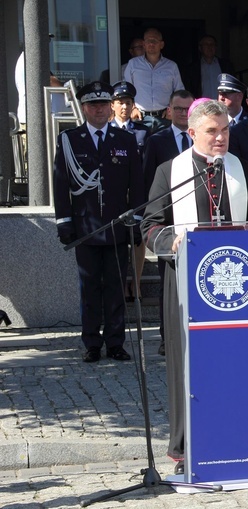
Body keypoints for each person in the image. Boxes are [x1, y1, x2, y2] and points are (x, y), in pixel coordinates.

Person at [141, 99, 248, 473]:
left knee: (245, 364)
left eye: (225, 130)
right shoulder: (168, 172)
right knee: (190, 367)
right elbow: (150, 226)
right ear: (191, 133)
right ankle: (189, 449)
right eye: (212, 131)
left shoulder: (242, 168)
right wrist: (169, 240)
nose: (221, 138)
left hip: (239, 287)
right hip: (186, 284)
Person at [52, 81, 144, 363]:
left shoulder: (125, 139)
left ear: (111, 107)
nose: (100, 109)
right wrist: (64, 222)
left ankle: (115, 342)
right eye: (93, 105)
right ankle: (92, 343)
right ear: (84, 108)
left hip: (117, 227)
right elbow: (61, 184)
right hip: (85, 228)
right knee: (89, 288)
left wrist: (137, 220)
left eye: (104, 104)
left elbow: (136, 184)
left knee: (116, 287)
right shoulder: (69, 139)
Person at [142, 89, 195, 355]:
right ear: (168, 111)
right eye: (178, 109)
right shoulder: (157, 140)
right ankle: (168, 337)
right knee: (169, 286)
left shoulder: (202, 141)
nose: (183, 114)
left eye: (187, 109)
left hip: (198, 221)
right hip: (169, 223)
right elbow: (148, 180)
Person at [109, 80, 151, 302]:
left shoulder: (143, 132)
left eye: (127, 102)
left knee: (138, 240)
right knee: (117, 239)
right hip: (115, 193)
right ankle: (120, 283)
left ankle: (136, 283)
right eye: (119, 102)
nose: (124, 107)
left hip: (137, 191)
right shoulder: (106, 131)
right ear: (112, 105)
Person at [123, 27, 184, 128]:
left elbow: (179, 91)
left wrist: (172, 109)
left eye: (154, 41)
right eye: (148, 41)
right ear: (144, 44)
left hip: (165, 119)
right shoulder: (133, 64)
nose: (151, 44)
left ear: (162, 44)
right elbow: (126, 90)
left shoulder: (171, 66)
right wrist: (132, 108)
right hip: (140, 118)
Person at [183, 34, 234, 100]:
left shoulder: (226, 65)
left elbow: (232, 86)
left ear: (216, 47)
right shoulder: (192, 68)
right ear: (200, 48)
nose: (209, 47)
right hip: (202, 106)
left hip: (222, 104)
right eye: (206, 44)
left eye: (212, 44)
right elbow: (189, 89)